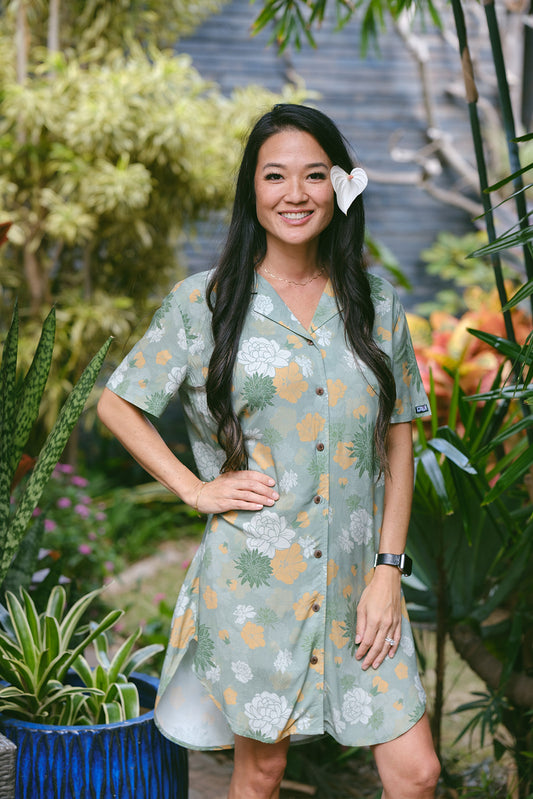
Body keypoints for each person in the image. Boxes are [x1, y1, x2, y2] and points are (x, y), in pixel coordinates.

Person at [97, 103, 441, 799]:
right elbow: (116, 402)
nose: (294, 193)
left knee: (416, 772)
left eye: (313, 175)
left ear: (337, 187)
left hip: (359, 585)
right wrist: (193, 488)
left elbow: (399, 435)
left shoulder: (374, 303)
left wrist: (387, 570)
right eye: (275, 175)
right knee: (261, 772)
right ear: (251, 190)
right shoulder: (205, 302)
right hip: (258, 587)